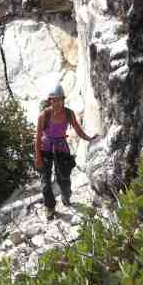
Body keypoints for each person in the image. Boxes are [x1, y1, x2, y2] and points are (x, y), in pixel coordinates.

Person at [36, 84, 95, 221]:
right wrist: (38, 157)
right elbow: (38, 137)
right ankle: (50, 207)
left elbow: (77, 129)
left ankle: (66, 195)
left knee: (64, 177)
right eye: (54, 100)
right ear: (50, 101)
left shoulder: (69, 114)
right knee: (45, 181)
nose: (57, 103)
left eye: (59, 100)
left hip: (61, 147)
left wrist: (89, 138)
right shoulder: (44, 115)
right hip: (45, 148)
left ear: (63, 100)